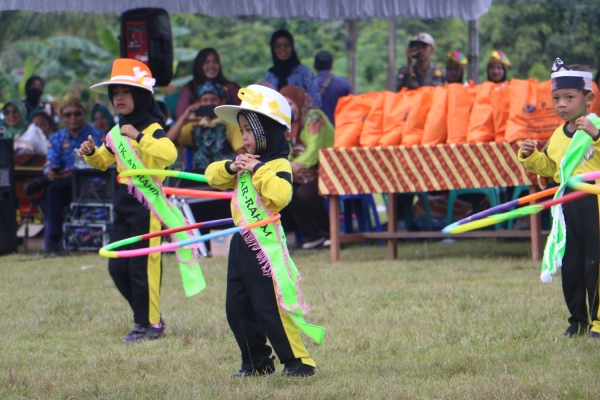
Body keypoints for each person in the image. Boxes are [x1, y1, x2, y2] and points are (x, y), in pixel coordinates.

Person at [205, 84, 324, 377]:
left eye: (248, 130)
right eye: (241, 129)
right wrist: (232, 168)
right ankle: (256, 361)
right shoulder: (242, 162)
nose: (243, 136)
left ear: (266, 131)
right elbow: (211, 177)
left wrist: (258, 169)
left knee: (271, 307)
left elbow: (281, 196)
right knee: (237, 310)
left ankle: (299, 362)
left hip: (265, 242)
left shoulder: (277, 164)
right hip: (241, 243)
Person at [79, 58, 178, 344]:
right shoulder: (115, 132)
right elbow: (103, 160)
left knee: (142, 267)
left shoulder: (151, 129)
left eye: (125, 92)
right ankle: (143, 318)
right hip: (122, 205)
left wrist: (138, 136)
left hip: (147, 207)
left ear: (142, 95)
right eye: (115, 93)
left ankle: (150, 325)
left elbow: (168, 154)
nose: (119, 98)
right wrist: (90, 153)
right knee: (117, 267)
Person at [519, 59, 600, 339]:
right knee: (572, 266)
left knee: (595, 265)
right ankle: (577, 320)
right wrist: (531, 156)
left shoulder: (596, 127)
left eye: (569, 97)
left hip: (595, 206)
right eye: (556, 98)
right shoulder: (557, 135)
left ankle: (598, 323)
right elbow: (554, 171)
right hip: (567, 206)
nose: (561, 104)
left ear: (588, 98)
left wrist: (597, 135)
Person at [23, 95, 103, 251]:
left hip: (91, 182)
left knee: (53, 188)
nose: (73, 118)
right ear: (61, 117)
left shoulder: (97, 135)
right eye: (68, 114)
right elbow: (50, 162)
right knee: (51, 190)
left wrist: (74, 173)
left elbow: (103, 162)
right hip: (64, 183)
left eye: (77, 113)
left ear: (83, 114)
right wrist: (50, 172)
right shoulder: (56, 138)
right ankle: (55, 240)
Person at [280, 85, 333, 249]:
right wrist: (289, 167)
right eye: (284, 105)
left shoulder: (314, 117)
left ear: (299, 101)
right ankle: (312, 235)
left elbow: (314, 151)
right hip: (303, 171)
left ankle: (329, 233)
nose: (288, 108)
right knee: (284, 192)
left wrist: (294, 167)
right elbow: (284, 150)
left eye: (290, 103)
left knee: (305, 193)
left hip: (329, 169)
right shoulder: (288, 124)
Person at [168, 80, 244, 173]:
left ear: (222, 101)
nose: (209, 103)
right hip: (199, 178)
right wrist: (184, 117)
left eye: (213, 99)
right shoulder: (192, 127)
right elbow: (168, 141)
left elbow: (242, 154)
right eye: (205, 100)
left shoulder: (231, 125)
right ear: (199, 103)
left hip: (226, 175)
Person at [176, 48, 241, 118]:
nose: (211, 66)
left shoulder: (230, 88)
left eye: (215, 61)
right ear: (199, 65)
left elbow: (243, 112)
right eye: (207, 62)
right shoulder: (190, 89)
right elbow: (180, 116)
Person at [265, 29, 322, 108]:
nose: (282, 49)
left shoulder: (304, 72)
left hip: (303, 119)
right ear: (273, 49)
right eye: (278, 45)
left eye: (286, 45)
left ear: (292, 47)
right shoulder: (271, 75)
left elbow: (316, 101)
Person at [313, 50, 352, 126]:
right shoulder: (344, 84)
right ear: (332, 66)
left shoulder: (306, 87)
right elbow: (353, 109)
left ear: (314, 66)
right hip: (339, 133)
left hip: (314, 135)